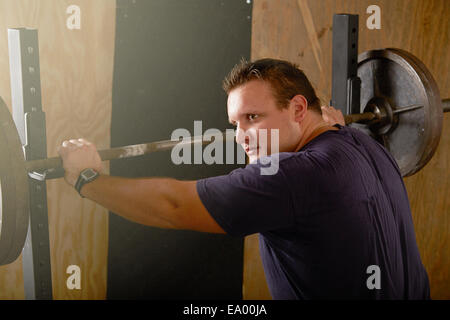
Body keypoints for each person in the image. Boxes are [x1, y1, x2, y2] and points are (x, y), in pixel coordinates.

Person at [58, 58, 430, 299]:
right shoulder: (369, 148)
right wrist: (329, 126)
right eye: (235, 123)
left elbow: (172, 205)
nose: (240, 136)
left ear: (299, 108)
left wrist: (87, 179)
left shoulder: (294, 177)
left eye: (253, 117)